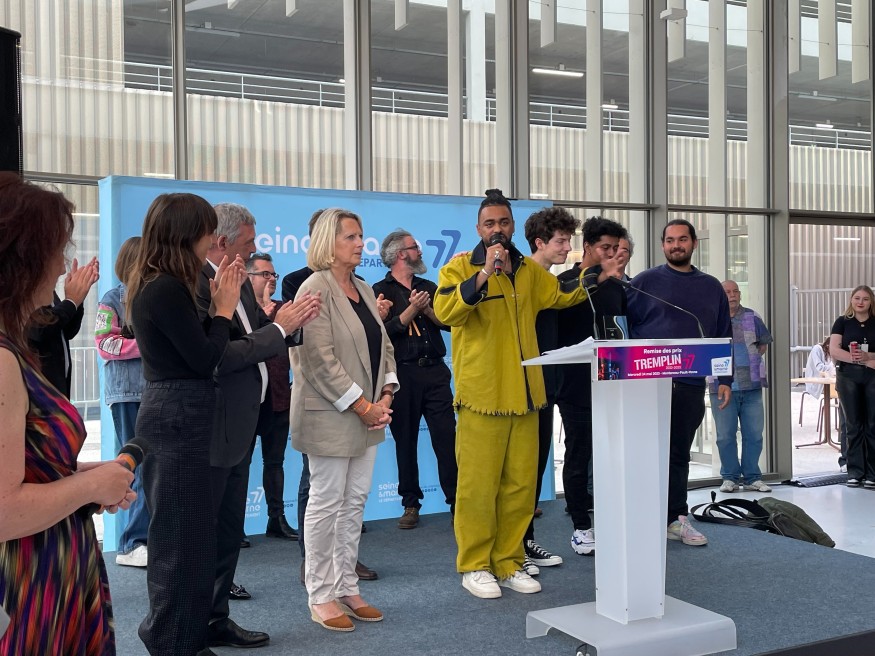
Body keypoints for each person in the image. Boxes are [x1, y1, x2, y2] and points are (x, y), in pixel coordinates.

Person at [434, 189, 617, 600]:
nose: (497, 229)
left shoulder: (530, 273)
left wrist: (595, 274)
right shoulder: (459, 268)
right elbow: (446, 312)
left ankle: (508, 561)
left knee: (520, 488)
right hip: (482, 396)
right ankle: (475, 565)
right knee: (478, 489)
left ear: (513, 226)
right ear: (478, 229)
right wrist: (484, 275)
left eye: (503, 222)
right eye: (489, 224)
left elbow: (561, 296)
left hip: (528, 396)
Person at [0, 172, 136, 655]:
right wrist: (89, 487)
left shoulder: (13, 347)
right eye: (56, 251)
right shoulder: (2, 360)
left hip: (49, 567)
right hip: (26, 580)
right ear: (23, 259)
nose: (63, 264)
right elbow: (4, 510)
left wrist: (87, 475)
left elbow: (25, 466)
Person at [196, 203, 321, 649]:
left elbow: (259, 333)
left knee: (229, 530)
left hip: (245, 419)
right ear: (222, 241)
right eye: (248, 241)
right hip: (215, 423)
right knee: (206, 533)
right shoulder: (199, 285)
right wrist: (278, 330)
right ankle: (193, 625)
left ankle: (216, 618)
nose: (254, 249)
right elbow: (221, 356)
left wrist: (289, 323)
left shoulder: (237, 280)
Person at [128, 193, 245, 656]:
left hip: (182, 414)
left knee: (191, 540)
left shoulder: (166, 283)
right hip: (176, 416)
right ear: (187, 233)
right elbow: (203, 359)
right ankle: (171, 641)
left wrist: (219, 312)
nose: (213, 240)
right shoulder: (164, 288)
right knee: (179, 542)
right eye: (207, 231)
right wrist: (222, 310)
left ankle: (186, 639)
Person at [291, 208, 397, 631]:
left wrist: (386, 393)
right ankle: (320, 594)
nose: (359, 243)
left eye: (360, 235)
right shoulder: (312, 288)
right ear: (327, 243)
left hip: (368, 412)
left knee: (354, 502)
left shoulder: (364, 288)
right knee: (326, 502)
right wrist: (363, 405)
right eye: (350, 236)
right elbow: (318, 360)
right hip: (332, 415)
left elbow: (384, 347)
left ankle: (346, 587)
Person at [627, 219, 732, 547]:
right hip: (646, 383)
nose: (676, 245)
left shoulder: (711, 287)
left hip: (689, 385)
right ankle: (641, 516)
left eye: (682, 239)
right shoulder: (644, 282)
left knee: (678, 454)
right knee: (643, 452)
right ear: (662, 245)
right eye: (670, 240)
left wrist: (725, 379)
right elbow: (621, 326)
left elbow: (722, 333)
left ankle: (676, 518)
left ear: (694, 243)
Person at [373, 229, 457, 530]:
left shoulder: (429, 287)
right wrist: (411, 309)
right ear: (400, 254)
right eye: (414, 247)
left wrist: (427, 309)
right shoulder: (379, 291)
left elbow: (448, 323)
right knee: (405, 442)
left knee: (447, 438)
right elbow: (382, 333)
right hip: (403, 375)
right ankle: (410, 503)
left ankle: (457, 501)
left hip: (435, 372)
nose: (420, 251)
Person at [553, 216, 628, 557]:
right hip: (574, 384)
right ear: (587, 247)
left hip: (612, 381)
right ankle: (581, 525)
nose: (611, 254)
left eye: (615, 248)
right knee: (578, 454)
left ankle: (611, 519)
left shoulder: (618, 286)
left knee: (611, 454)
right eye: (604, 248)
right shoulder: (565, 283)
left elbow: (622, 331)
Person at [520, 207, 581, 573]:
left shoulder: (549, 281)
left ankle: (524, 542)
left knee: (535, 468)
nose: (567, 247)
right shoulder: (521, 279)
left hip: (547, 388)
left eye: (569, 241)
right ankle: (515, 547)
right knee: (522, 472)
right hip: (523, 389)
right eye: (561, 241)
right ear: (540, 242)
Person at [95, 236, 151, 568]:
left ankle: (146, 539)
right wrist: (146, 343)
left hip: (155, 392)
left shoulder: (153, 297)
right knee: (136, 467)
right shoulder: (112, 299)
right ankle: (132, 543)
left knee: (154, 470)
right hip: (127, 394)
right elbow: (105, 344)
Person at [245, 252, 299, 541]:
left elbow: (295, 342)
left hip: (279, 395)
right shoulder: (237, 309)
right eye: (264, 274)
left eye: (273, 275)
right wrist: (265, 318)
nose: (271, 279)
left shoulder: (283, 309)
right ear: (248, 277)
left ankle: (276, 519)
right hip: (247, 399)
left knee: (275, 462)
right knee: (239, 466)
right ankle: (233, 526)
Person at [709, 280, 773, 493]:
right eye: (727, 292)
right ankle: (730, 478)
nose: (732, 295)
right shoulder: (711, 318)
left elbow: (763, 345)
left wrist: (747, 363)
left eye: (735, 291)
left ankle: (753, 477)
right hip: (720, 386)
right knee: (725, 436)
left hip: (752, 385)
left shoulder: (752, 317)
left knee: (754, 434)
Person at [28, 255, 99, 398]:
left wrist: (77, 300)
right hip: (41, 391)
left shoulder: (50, 292)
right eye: (59, 254)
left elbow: (66, 331)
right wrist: (71, 301)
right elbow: (39, 329)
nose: (63, 270)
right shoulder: (28, 291)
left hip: (59, 386)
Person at [829, 285, 875, 488]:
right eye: (857, 298)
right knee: (853, 425)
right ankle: (855, 472)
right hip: (848, 376)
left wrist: (868, 357)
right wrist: (859, 359)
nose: (860, 302)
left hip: (872, 376)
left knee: (872, 424)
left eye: (865, 298)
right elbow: (834, 350)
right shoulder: (842, 322)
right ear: (851, 300)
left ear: (871, 301)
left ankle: (872, 474)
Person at [804, 337, 847, 470]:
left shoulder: (829, 354)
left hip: (833, 383)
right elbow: (820, 368)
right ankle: (845, 458)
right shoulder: (817, 349)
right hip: (816, 382)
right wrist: (833, 366)